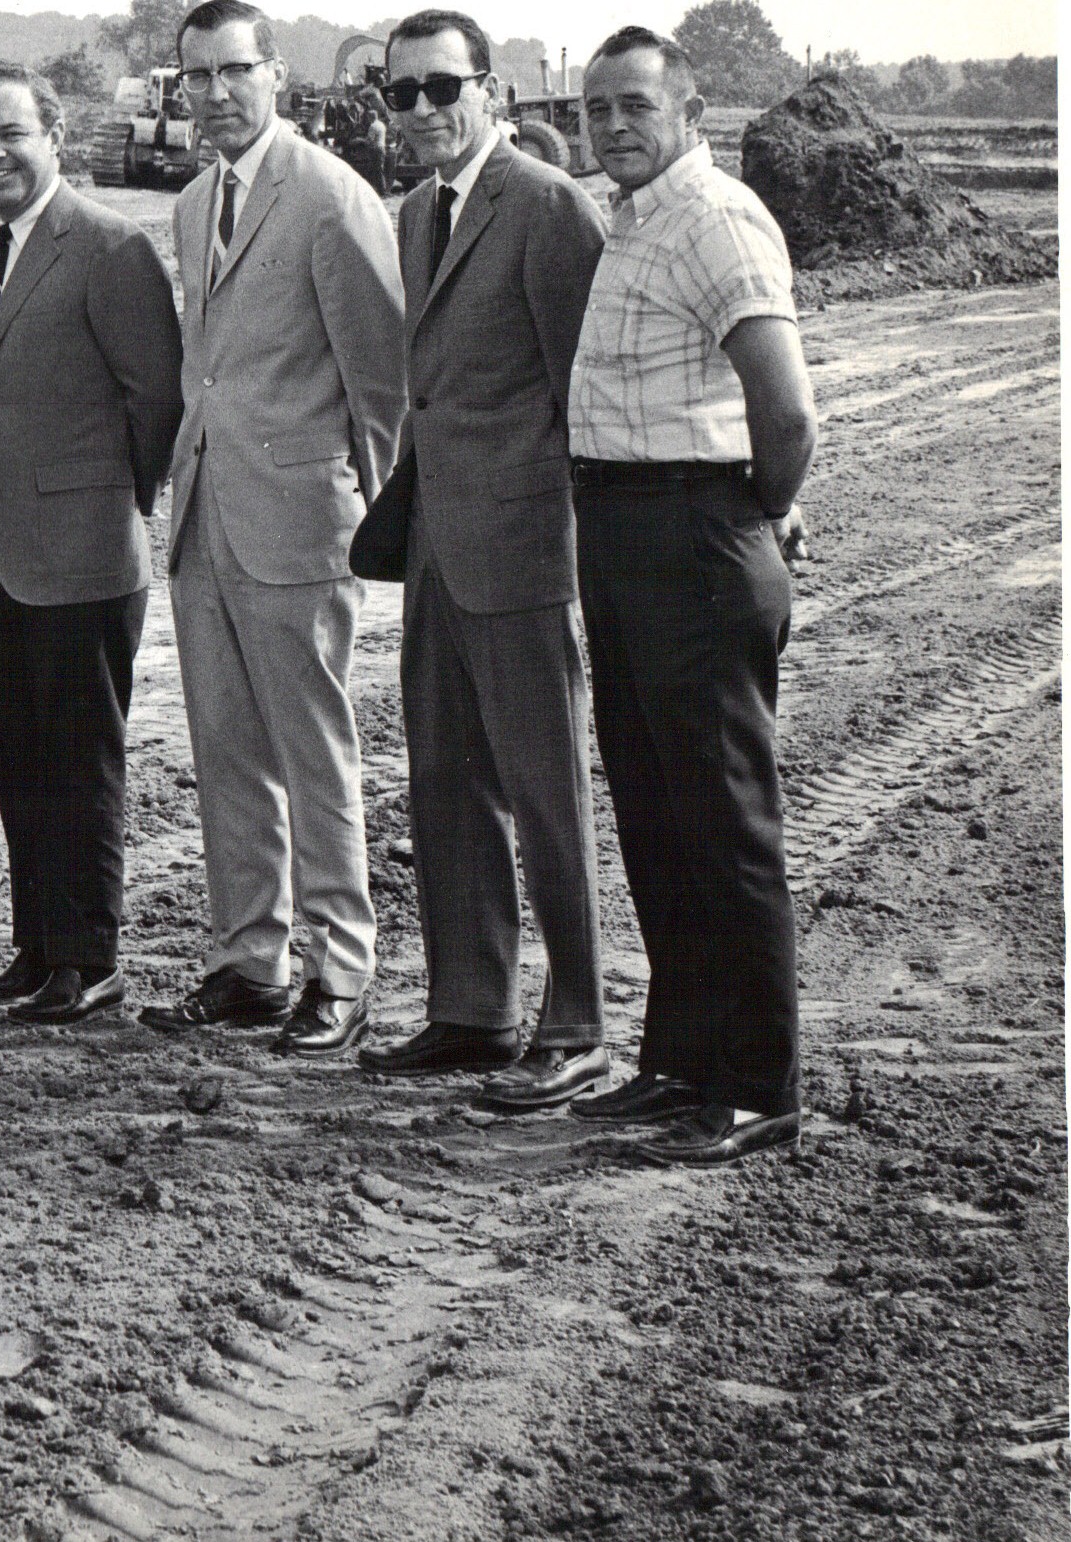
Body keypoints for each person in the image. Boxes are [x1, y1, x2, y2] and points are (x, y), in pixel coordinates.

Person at [561, 27, 816, 1165]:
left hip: (696, 535)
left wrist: (750, 512)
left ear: (690, 110)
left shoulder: (714, 217)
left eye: (634, 106)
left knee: (722, 821)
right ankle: (677, 1063)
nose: (612, 126)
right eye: (595, 108)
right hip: (622, 532)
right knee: (657, 814)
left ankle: (756, 1084)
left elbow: (787, 409)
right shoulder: (631, 218)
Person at [347, 11, 611, 1108]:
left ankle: (577, 1022)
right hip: (439, 553)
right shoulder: (416, 211)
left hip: (523, 550)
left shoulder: (548, 208)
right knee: (446, 785)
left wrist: (572, 558)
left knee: (544, 791)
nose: (417, 112)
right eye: (397, 94)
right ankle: (472, 1010)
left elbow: (581, 402)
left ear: (490, 91)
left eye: (438, 88)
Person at [139, 0, 404, 1055]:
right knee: (228, 751)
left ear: (275, 74)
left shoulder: (333, 197)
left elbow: (380, 384)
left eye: (229, 73)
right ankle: (251, 962)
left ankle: (340, 970)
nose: (210, 96)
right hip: (205, 514)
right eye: (192, 78)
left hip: (300, 520)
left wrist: (363, 519)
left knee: (313, 752)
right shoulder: (194, 200)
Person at [0, 62, 183, 1024]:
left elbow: (153, 400)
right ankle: (35, 946)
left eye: (10, 134)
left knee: (81, 761)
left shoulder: (110, 248)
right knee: (17, 756)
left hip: (83, 552)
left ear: (55, 134)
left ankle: (90, 958)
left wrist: (106, 498)